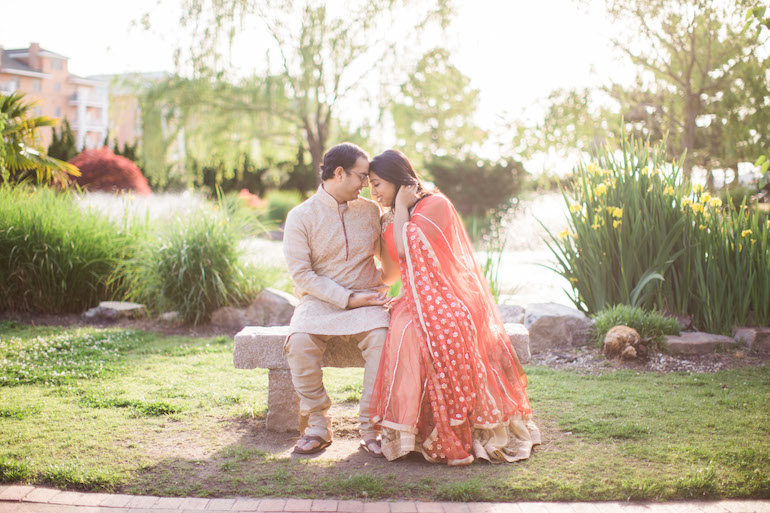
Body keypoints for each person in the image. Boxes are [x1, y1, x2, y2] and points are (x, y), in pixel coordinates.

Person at [368, 149, 541, 465]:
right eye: (369, 185)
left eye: (377, 183)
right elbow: (392, 273)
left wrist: (403, 208)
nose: (374, 192)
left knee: (443, 326)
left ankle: (455, 424)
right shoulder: (391, 216)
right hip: (416, 299)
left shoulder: (435, 204)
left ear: (396, 178)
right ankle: (408, 433)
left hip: (451, 296)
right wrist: (359, 289)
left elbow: (408, 249)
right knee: (404, 330)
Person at [283, 142, 397, 456]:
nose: (366, 185)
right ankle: (319, 425)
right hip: (320, 301)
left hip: (368, 298)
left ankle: (371, 426)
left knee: (382, 338)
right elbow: (302, 275)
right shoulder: (300, 216)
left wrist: (399, 224)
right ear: (338, 173)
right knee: (299, 342)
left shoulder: (371, 211)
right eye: (361, 177)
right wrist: (348, 298)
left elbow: (391, 265)